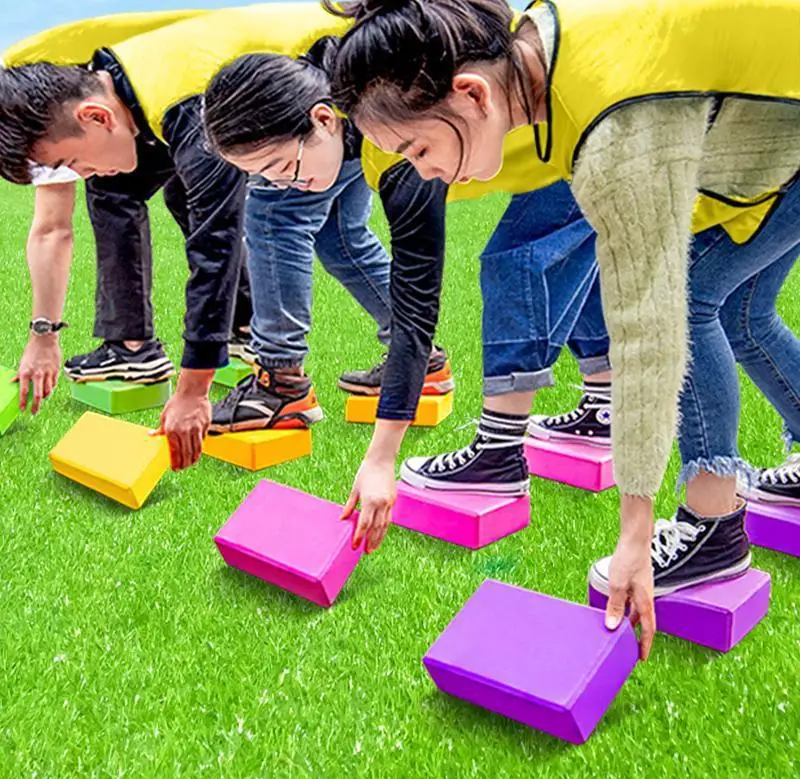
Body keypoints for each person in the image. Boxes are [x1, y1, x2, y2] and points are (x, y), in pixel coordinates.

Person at [326, 0, 800, 658]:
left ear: (471, 92)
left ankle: (713, 527)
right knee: (739, 310)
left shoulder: (613, 124)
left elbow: (647, 331)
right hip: (764, 141)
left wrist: (634, 537)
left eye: (420, 148)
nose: (428, 172)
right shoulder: (540, 53)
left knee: (686, 300)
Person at [202, 41, 613, 501]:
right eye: (265, 178)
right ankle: (605, 408)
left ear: (323, 118)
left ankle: (498, 453)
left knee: (516, 260)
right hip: (558, 124)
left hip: (582, 126)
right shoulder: (353, 104)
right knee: (342, 237)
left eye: (281, 168)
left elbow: (417, 307)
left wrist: (381, 457)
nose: (282, 186)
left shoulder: (401, 149)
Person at [0, 4, 378, 468]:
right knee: (340, 238)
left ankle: (280, 383)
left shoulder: (193, 112)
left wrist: (192, 390)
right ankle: (415, 361)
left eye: (72, 163)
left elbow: (215, 246)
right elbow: (52, 227)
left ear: (97, 117)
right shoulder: (92, 82)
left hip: (348, 88)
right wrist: (44, 334)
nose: (79, 175)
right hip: (326, 82)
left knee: (273, 218)